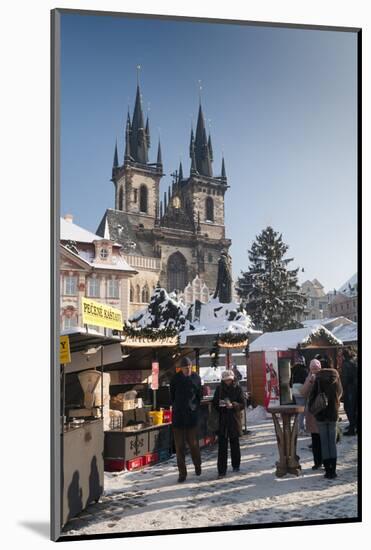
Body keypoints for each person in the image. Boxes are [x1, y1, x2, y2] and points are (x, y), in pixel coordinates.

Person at [170, 356, 202, 482]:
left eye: (189, 367)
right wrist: (177, 406)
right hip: (178, 417)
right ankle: (182, 473)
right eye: (185, 368)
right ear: (181, 368)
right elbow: (171, 395)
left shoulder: (196, 378)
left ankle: (197, 465)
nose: (187, 369)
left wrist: (194, 407)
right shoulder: (175, 379)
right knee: (179, 447)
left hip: (191, 416)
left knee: (193, 445)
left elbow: (199, 395)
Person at [308, 363, 343, 479]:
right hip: (333, 413)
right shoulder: (335, 376)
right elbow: (340, 392)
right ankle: (333, 470)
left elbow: (312, 396)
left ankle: (327, 470)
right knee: (332, 443)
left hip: (321, 414)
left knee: (324, 442)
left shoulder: (318, 378)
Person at [212, 369, 246, 478]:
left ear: (233, 379)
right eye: (226, 380)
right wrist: (221, 405)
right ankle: (221, 470)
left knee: (234, 443)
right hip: (222, 420)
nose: (228, 382)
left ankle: (236, 465)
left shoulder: (238, 388)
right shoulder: (219, 389)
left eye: (229, 380)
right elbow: (214, 403)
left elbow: (243, 404)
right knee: (222, 446)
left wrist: (234, 405)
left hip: (234, 419)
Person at [300, 359, 322, 469]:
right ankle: (317, 462)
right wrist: (309, 381)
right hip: (313, 413)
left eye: (316, 368)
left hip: (322, 412)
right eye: (312, 368)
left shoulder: (324, 377)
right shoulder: (309, 377)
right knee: (315, 439)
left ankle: (323, 462)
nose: (314, 370)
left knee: (322, 439)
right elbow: (303, 393)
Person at [341, 348, 358, 436]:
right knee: (355, 408)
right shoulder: (355, 361)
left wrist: (342, 389)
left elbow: (345, 378)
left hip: (350, 388)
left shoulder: (346, 364)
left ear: (344, 356)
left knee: (349, 408)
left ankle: (352, 429)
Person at [290, 356, 308, 433]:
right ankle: (300, 428)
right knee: (303, 411)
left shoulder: (293, 370)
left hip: (294, 391)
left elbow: (290, 383)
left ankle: (298, 427)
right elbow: (306, 381)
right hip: (301, 390)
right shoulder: (304, 370)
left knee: (299, 410)